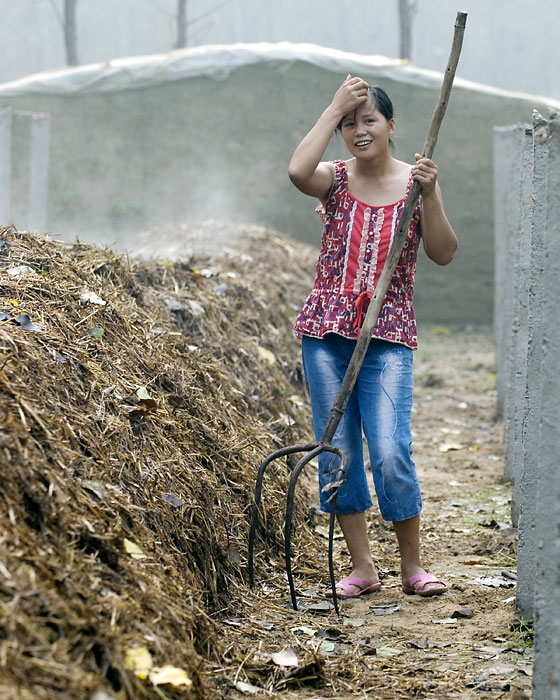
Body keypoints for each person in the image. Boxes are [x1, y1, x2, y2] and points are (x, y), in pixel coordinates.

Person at [288, 75, 458, 598]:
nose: (359, 131)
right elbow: (296, 170)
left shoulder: (416, 182)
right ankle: (363, 568)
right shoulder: (335, 178)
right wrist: (333, 105)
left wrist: (430, 194)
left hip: (386, 337)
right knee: (337, 447)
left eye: (368, 120)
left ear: (390, 125)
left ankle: (413, 567)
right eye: (348, 124)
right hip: (326, 333)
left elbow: (444, 251)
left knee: (389, 450)